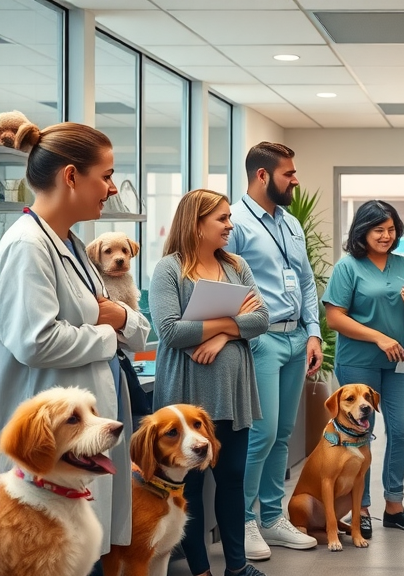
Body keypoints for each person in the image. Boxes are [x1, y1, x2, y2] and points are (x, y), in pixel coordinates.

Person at [0, 119, 150, 568]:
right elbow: (37, 341)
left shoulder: (74, 246)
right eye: (106, 176)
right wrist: (108, 331)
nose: (111, 189)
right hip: (51, 443)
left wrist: (120, 318)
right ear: (71, 176)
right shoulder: (27, 245)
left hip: (83, 434)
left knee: (86, 550)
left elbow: (134, 326)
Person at [149, 188, 270, 576]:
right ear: (196, 224)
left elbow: (262, 320)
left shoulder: (236, 266)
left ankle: (237, 567)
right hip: (186, 397)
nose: (230, 225)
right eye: (222, 218)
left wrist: (219, 335)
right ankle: (200, 570)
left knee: (232, 482)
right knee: (191, 489)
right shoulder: (169, 269)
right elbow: (171, 331)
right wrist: (231, 323)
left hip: (233, 396)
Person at [226, 142, 320, 560]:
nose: (295, 180)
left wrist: (313, 333)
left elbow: (306, 281)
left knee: (282, 434)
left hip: (296, 338)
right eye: (289, 173)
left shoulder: (291, 222)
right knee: (261, 435)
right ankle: (243, 521)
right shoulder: (235, 222)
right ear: (262, 175)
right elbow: (225, 284)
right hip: (261, 340)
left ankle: (271, 517)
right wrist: (246, 333)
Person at [323, 199, 404, 536]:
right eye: (378, 229)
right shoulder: (348, 267)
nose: (386, 235)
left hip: (396, 363)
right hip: (358, 363)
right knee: (360, 434)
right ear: (363, 231)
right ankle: (362, 508)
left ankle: (394, 505)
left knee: (401, 429)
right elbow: (334, 318)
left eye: (391, 229)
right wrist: (379, 338)